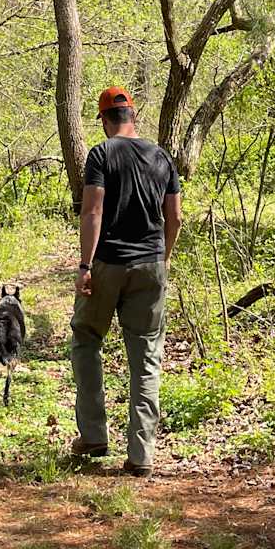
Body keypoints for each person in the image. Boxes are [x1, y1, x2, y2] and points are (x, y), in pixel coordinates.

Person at [70, 86, 182, 476]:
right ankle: (141, 455)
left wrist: (85, 265)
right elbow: (176, 218)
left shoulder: (101, 154)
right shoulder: (161, 156)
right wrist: (160, 260)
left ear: (104, 120)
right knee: (146, 358)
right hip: (151, 263)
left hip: (108, 264)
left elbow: (93, 210)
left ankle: (94, 435)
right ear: (133, 117)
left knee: (86, 337)